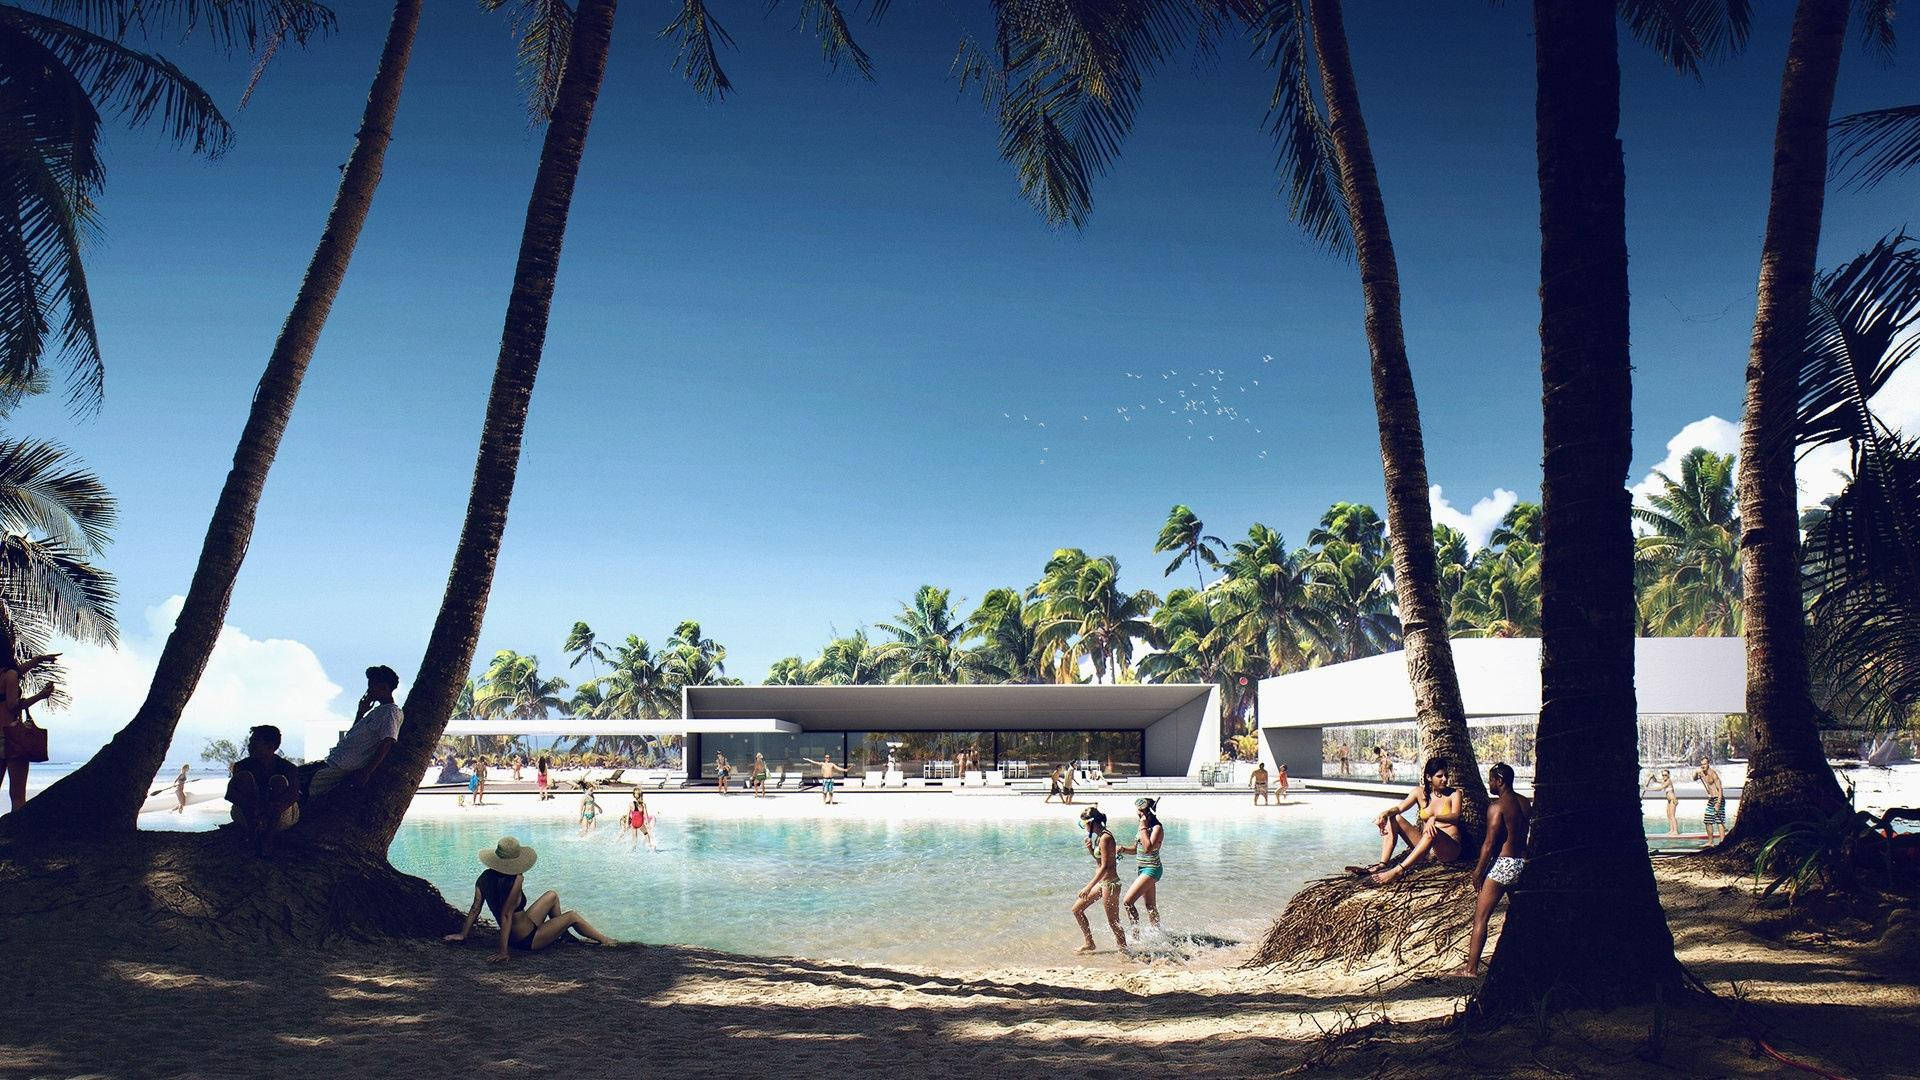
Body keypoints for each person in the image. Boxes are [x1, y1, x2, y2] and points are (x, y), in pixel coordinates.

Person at [445, 836, 615, 962]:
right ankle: (605, 940)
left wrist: (462, 934)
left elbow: (475, 908)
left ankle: (563, 935)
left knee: (552, 895)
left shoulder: (484, 877)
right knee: (572, 916)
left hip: (523, 929)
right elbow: (506, 914)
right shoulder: (516, 879)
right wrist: (503, 952)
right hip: (527, 940)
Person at [1450, 762, 1531, 977]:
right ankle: (1526, 963)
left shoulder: (1497, 807)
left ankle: (1471, 969)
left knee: (1481, 917)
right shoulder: (1524, 803)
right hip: (1522, 863)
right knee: (1521, 916)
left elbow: (1489, 843)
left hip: (1503, 865)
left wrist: (1478, 872)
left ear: (1500, 781)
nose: (1489, 784)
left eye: (1491, 780)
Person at [1351, 757, 1464, 885]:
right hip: (1427, 850)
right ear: (1428, 777)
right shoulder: (1419, 793)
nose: (1444, 779)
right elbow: (1400, 808)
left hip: (1448, 849)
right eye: (1439, 776)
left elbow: (1455, 816)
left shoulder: (1455, 794)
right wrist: (1385, 813)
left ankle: (1399, 870)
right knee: (1394, 817)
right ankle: (1383, 864)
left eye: (1446, 775)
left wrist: (1435, 818)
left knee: (1432, 832)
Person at [306, 665, 403, 800]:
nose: (369, 689)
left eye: (372, 685)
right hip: (336, 761)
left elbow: (387, 742)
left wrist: (367, 772)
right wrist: (361, 712)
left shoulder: (390, 712)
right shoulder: (377, 712)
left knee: (302, 783)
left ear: (384, 687)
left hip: (342, 766)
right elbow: (353, 735)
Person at [0, 642, 58, 814]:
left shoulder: (7, 675)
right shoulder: (9, 675)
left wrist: (38, 660)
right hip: (11, 736)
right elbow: (12, 706)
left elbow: (17, 673)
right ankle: (17, 836)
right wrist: (41, 696)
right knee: (17, 795)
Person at [226, 725, 301, 856]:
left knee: (278, 781)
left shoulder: (288, 768)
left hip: (280, 818)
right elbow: (230, 794)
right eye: (250, 742)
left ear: (271, 746)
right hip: (248, 816)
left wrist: (268, 811)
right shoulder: (241, 766)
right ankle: (253, 833)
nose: (249, 745)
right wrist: (255, 808)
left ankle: (267, 839)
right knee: (244, 777)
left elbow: (293, 796)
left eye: (254, 742)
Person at [1070, 805, 1127, 955]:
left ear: (1091, 823)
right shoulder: (1099, 837)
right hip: (1103, 883)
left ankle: (1124, 951)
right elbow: (1100, 862)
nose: (1084, 827)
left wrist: (1088, 886)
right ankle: (1089, 943)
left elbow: (1105, 867)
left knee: (1113, 922)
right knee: (1077, 909)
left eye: (1084, 824)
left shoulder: (1106, 838)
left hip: (1111, 884)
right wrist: (1090, 850)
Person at [1117, 797, 1165, 937]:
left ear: (1147, 812)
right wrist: (1123, 849)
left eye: (1140, 812)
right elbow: (1137, 848)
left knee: (1127, 902)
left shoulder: (1157, 828)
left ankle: (1135, 936)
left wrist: (1143, 824)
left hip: (1152, 868)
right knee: (1150, 906)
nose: (1137, 814)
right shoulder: (1142, 827)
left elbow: (1148, 848)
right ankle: (1158, 934)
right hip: (1142, 869)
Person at [1693, 757, 1726, 843]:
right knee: (1707, 820)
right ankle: (1710, 842)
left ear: (1708, 764)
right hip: (1711, 799)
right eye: (1701, 764)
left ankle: (1722, 842)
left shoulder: (1713, 774)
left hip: (1718, 798)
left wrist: (1718, 803)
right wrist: (1696, 773)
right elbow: (1694, 778)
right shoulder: (1702, 773)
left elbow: (1720, 789)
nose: (1703, 766)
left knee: (1719, 820)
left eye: (1704, 764)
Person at [1642, 768, 1679, 836]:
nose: (1664, 776)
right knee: (1668, 815)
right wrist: (1652, 777)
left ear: (1668, 775)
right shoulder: (1664, 781)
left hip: (1673, 800)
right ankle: (1671, 830)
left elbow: (1660, 788)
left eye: (1665, 775)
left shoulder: (1668, 781)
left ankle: (1675, 831)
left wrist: (1648, 789)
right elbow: (1655, 781)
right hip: (1669, 801)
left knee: (1672, 816)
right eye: (1663, 775)